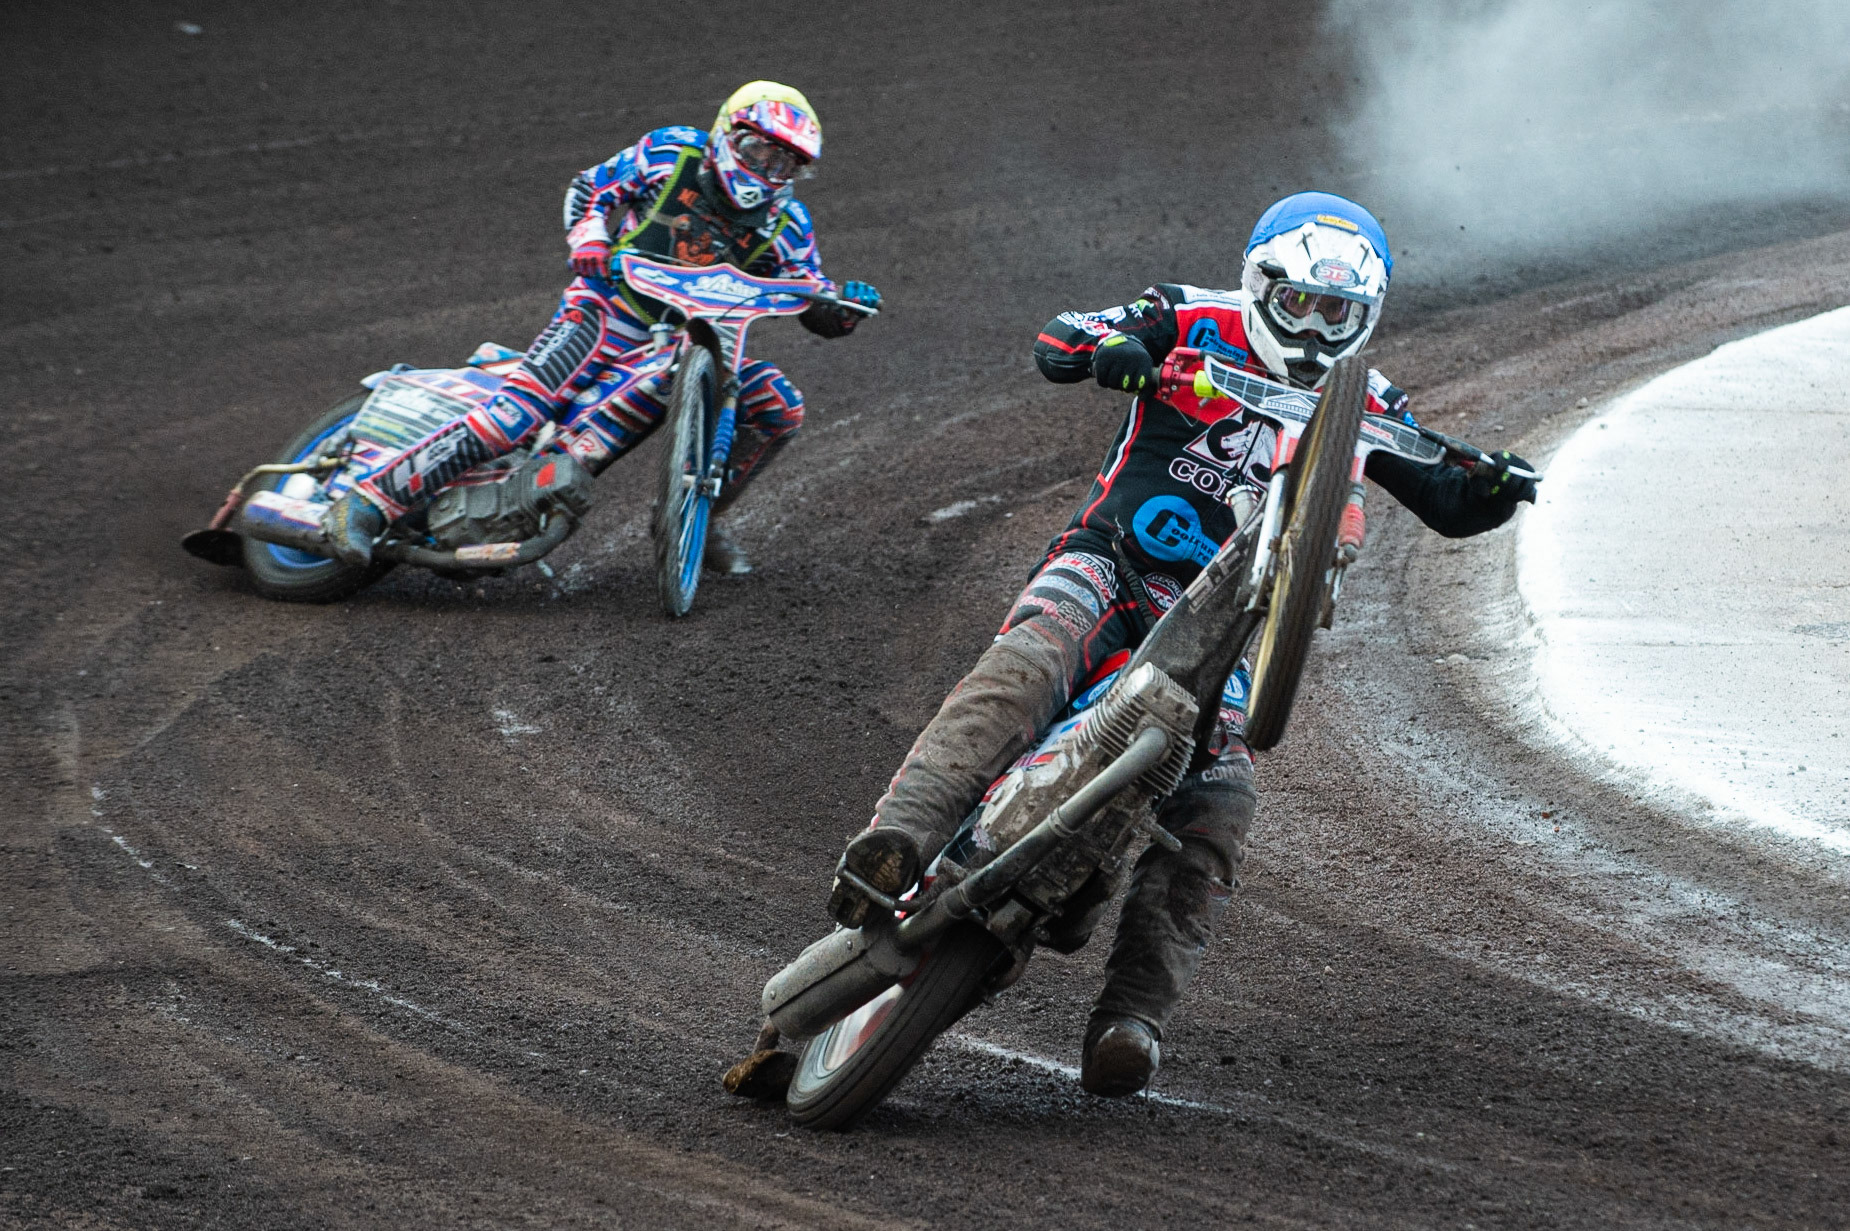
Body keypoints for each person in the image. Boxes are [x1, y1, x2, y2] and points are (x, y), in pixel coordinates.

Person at [824, 192, 1536, 1097]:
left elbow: (1444, 498)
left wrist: (1498, 487)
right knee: (1027, 664)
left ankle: (1133, 1016)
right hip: (1112, 568)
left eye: (1341, 315)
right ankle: (894, 840)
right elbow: (1062, 337)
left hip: (1226, 639)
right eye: (1301, 306)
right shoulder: (1188, 315)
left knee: (1225, 797)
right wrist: (1113, 352)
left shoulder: (1371, 401)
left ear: (1368, 318)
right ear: (1259, 286)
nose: (1318, 331)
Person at [324, 81, 881, 574]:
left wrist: (841, 309)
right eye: (761, 151)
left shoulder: (788, 223)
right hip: (606, 310)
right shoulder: (671, 153)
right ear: (728, 136)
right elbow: (592, 188)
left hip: (695, 341)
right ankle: (368, 502)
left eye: (786, 164)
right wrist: (588, 238)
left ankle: (700, 517)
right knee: (514, 417)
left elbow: (808, 294)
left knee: (779, 406)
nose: (769, 171)